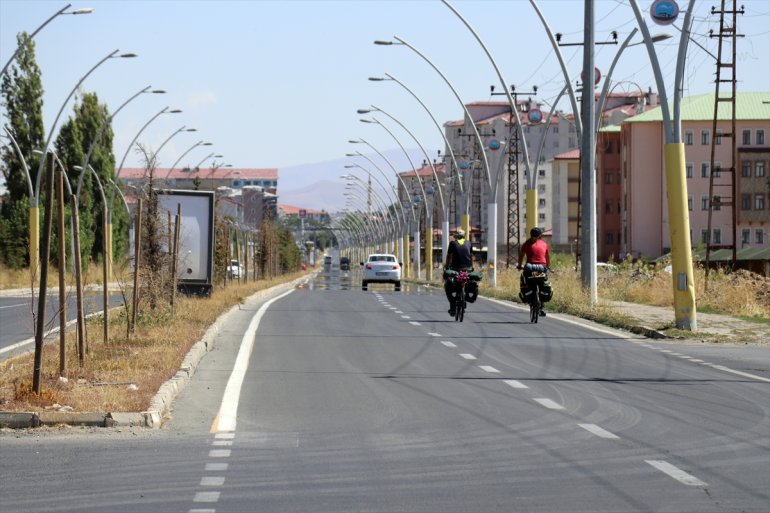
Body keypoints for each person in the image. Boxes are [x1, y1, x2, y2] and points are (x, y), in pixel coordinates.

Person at [517, 227, 551, 316]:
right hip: (542, 268)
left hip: (529, 267)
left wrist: (519, 266)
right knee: (542, 284)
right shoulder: (544, 244)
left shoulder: (526, 243)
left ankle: (530, 298)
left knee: (526, 280)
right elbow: (547, 257)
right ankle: (542, 307)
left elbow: (521, 256)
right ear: (540, 235)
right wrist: (548, 267)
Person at [444, 228, 473, 316]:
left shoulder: (453, 243)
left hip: (455, 269)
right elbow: (471, 256)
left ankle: (452, 306)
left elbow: (449, 257)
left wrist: (447, 267)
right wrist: (471, 267)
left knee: (448, 286)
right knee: (468, 282)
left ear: (456, 237)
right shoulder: (469, 243)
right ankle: (466, 298)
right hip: (468, 268)